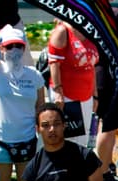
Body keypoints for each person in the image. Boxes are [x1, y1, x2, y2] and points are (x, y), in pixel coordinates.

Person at [0, 18, 43, 181]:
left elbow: (40, 109)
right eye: (10, 47)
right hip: (0, 142)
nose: (15, 51)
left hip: (27, 141)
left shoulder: (34, 75)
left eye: (19, 46)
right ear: (1, 48)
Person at [45, 20, 97, 148]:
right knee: (67, 141)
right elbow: (54, 63)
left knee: (83, 143)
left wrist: (95, 95)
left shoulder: (89, 29)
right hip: (66, 96)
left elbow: (92, 66)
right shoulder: (62, 31)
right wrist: (58, 92)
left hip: (86, 96)